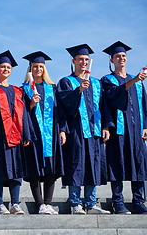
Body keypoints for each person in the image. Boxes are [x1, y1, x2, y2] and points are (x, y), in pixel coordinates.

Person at [57, 44, 112, 214]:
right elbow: (63, 105)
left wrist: (106, 126)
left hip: (94, 132)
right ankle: (75, 203)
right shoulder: (66, 81)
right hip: (75, 131)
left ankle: (91, 203)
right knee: (76, 165)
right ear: (73, 61)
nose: (83, 62)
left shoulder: (96, 83)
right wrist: (79, 90)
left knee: (93, 166)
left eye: (86, 59)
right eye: (80, 59)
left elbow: (104, 107)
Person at [100, 41, 147, 214]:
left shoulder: (138, 81)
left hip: (136, 130)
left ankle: (138, 201)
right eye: (118, 56)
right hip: (118, 130)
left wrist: (146, 126)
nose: (121, 58)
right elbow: (113, 96)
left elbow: (144, 105)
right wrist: (135, 80)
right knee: (117, 163)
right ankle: (118, 202)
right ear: (112, 60)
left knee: (139, 163)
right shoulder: (107, 80)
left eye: (123, 56)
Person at [0, 50, 31, 215]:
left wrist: (27, 134)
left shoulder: (18, 91)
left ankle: (15, 203)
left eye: (8, 67)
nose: (5, 69)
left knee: (16, 169)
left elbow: (23, 113)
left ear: (11, 70)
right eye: (2, 67)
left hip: (16, 136)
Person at [21, 51, 64, 214]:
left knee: (51, 168)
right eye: (35, 66)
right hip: (33, 133)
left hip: (51, 134)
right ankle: (40, 204)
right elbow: (22, 112)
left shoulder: (52, 88)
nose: (38, 69)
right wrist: (31, 104)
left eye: (41, 66)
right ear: (30, 69)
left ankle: (48, 203)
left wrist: (62, 131)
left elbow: (59, 111)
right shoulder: (24, 89)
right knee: (35, 168)